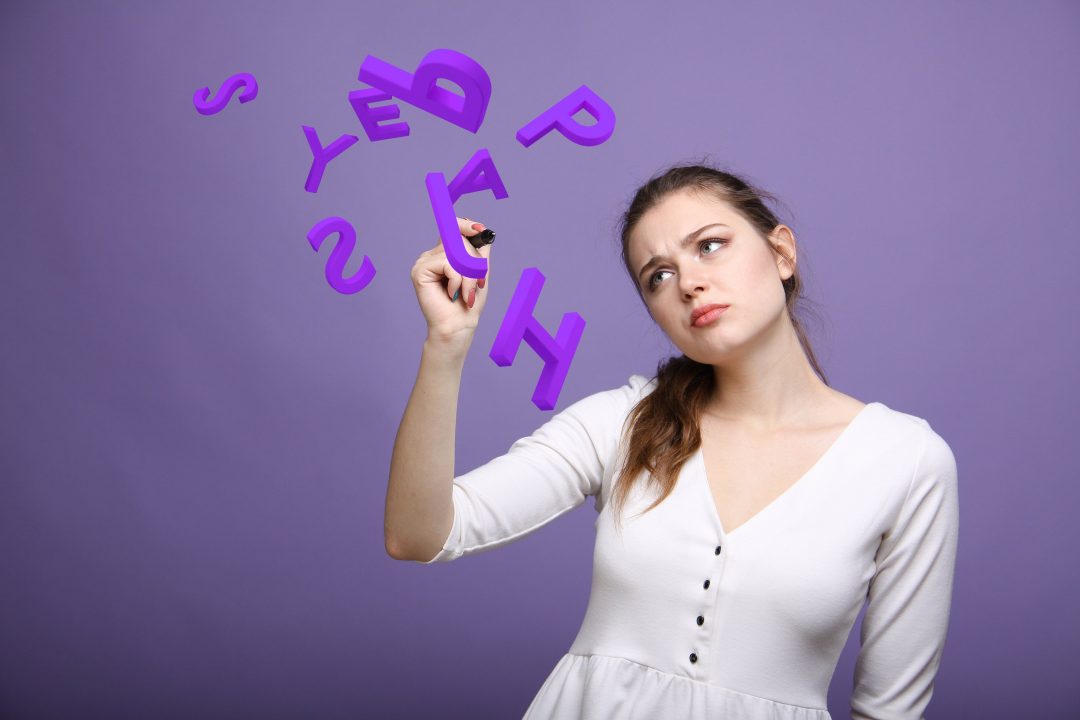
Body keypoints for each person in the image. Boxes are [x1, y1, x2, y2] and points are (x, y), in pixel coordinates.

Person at [385, 162, 960, 720]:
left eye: (710, 245)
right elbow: (419, 535)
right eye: (657, 276)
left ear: (781, 253)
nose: (688, 282)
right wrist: (447, 343)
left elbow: (889, 710)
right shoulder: (621, 423)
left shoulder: (905, 461)